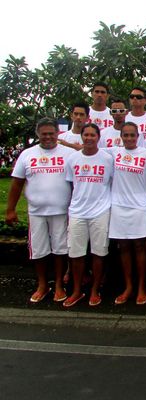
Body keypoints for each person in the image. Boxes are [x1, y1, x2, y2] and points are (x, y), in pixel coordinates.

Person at [6, 118, 75, 303]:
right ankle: (43, 284)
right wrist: (10, 209)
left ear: (57, 133)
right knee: (39, 251)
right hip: (36, 212)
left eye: (51, 133)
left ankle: (59, 284)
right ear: (38, 135)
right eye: (44, 134)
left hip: (61, 211)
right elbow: (17, 183)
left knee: (61, 250)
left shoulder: (69, 154)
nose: (48, 137)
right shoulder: (27, 154)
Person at [63, 123, 114, 307]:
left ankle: (95, 289)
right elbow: (70, 185)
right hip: (77, 211)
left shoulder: (108, 159)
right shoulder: (73, 159)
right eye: (86, 135)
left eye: (93, 135)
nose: (89, 138)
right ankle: (77, 291)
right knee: (76, 254)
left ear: (98, 137)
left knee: (99, 253)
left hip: (100, 211)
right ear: (82, 137)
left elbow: (113, 182)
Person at [108, 122, 146, 305]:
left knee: (140, 247)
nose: (128, 138)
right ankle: (128, 286)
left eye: (132, 135)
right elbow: (87, 147)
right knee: (124, 248)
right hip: (119, 206)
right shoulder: (114, 153)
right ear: (121, 136)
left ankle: (142, 287)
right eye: (125, 135)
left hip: (140, 206)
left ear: (138, 136)